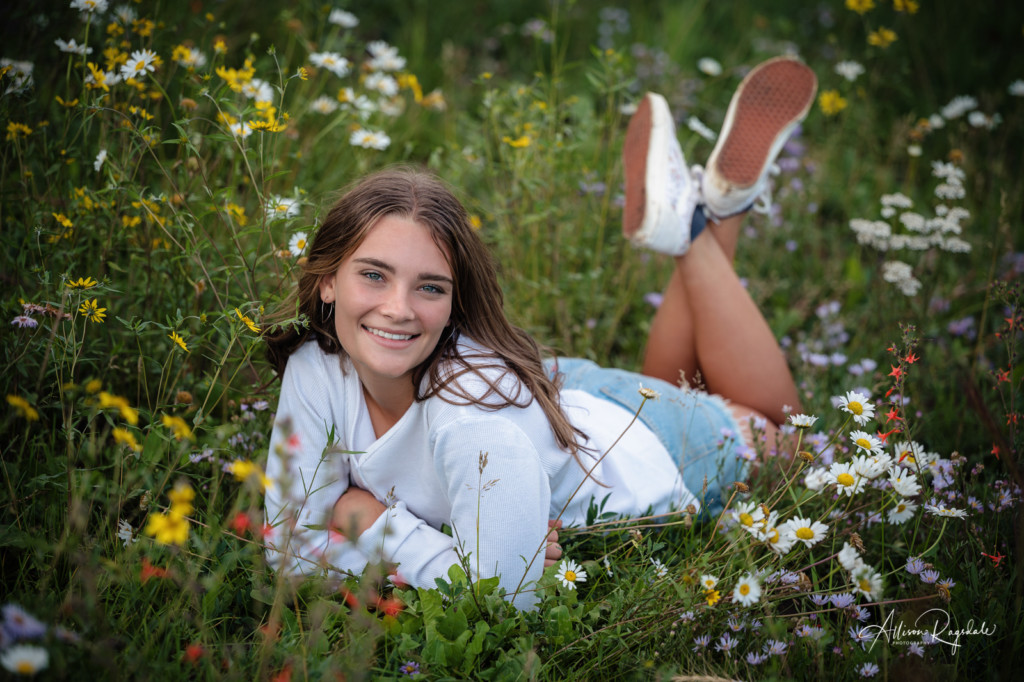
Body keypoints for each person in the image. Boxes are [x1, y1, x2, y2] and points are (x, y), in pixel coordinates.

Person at [262, 56, 817, 609]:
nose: (398, 308)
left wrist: (365, 517)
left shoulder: (474, 423)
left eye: (430, 288)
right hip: (562, 400)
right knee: (678, 384)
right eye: (374, 276)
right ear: (327, 279)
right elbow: (288, 550)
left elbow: (502, 598)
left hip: (648, 449)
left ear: (455, 302)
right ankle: (705, 215)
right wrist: (398, 532)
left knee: (792, 442)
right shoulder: (319, 362)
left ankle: (696, 230)